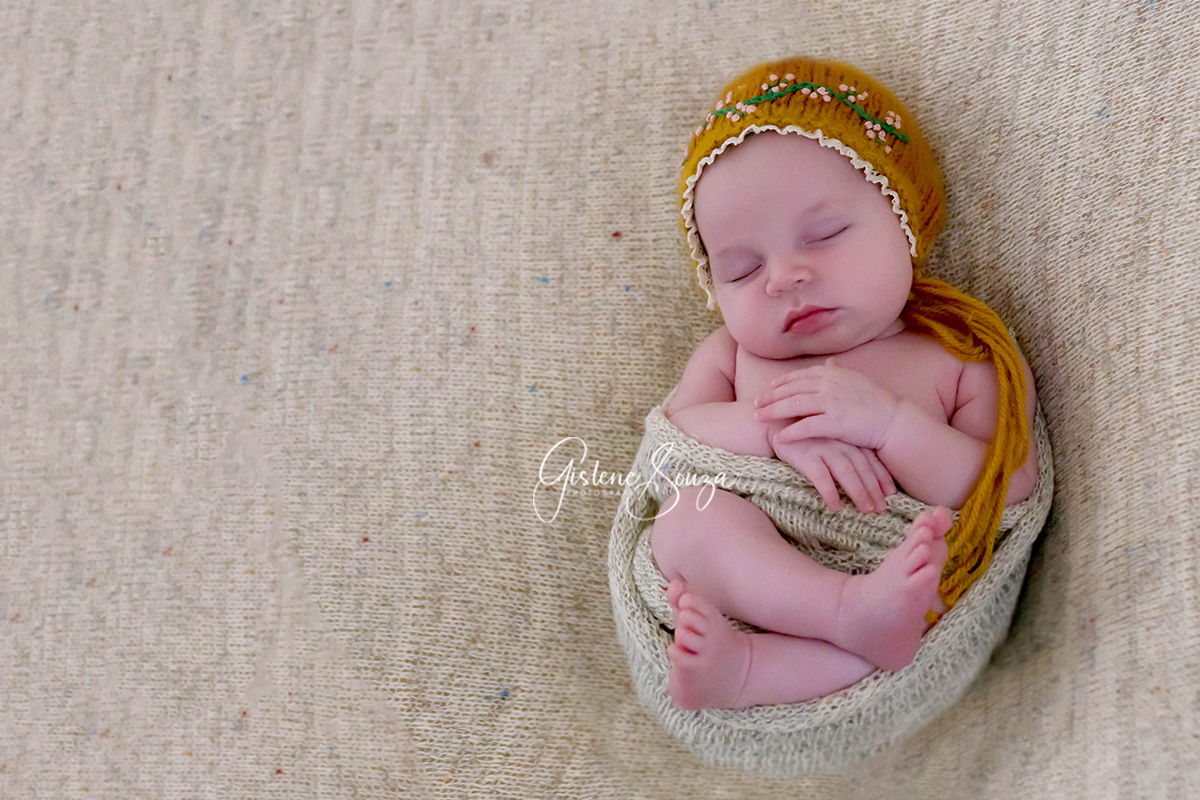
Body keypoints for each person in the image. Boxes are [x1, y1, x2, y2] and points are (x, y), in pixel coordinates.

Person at [648, 58, 1039, 711]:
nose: (783, 278)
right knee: (685, 518)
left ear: (905, 222)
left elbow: (1007, 485)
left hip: (893, 571)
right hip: (754, 579)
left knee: (932, 581)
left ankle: (772, 662)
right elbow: (668, 447)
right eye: (742, 270)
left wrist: (890, 425)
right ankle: (807, 631)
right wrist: (769, 432)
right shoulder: (731, 356)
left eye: (826, 235)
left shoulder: (958, 354)